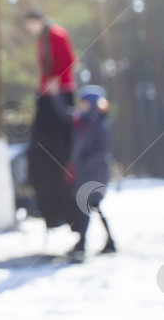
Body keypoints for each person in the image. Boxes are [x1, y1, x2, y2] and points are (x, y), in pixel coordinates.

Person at [24, 6, 77, 229]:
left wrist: (57, 81)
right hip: (46, 92)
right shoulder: (40, 40)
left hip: (61, 92)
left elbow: (69, 62)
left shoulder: (57, 34)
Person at [51, 85, 116, 262]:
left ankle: (82, 245)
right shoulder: (81, 121)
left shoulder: (99, 124)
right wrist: (55, 94)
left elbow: (103, 150)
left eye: (84, 103)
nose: (81, 106)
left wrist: (87, 163)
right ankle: (108, 242)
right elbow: (64, 114)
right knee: (91, 207)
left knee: (86, 207)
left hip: (96, 174)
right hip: (84, 175)